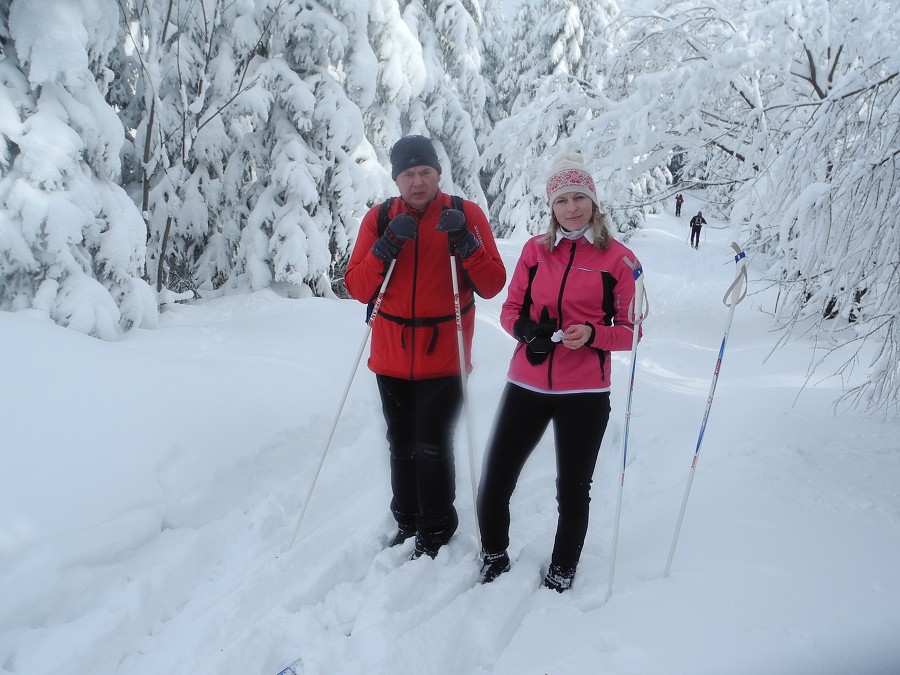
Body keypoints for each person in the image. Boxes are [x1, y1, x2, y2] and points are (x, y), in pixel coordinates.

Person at [476, 153, 642, 592]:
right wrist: (526, 330)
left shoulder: (619, 261)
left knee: (572, 490)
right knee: (495, 479)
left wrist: (593, 334)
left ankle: (562, 570)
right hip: (526, 384)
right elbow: (509, 311)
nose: (572, 208)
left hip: (585, 392)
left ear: (593, 202)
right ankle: (493, 556)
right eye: (563, 199)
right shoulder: (535, 250)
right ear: (551, 206)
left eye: (580, 198)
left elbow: (631, 333)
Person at [345, 135, 506, 560]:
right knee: (401, 442)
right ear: (396, 178)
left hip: (446, 351)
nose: (418, 182)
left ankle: (437, 524)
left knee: (433, 443)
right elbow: (358, 287)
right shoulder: (379, 220)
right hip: (391, 354)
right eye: (408, 174)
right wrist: (385, 247)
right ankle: (406, 518)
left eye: (425, 172)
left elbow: (492, 284)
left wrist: (467, 246)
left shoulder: (464, 214)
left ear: (438, 173)